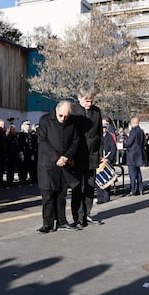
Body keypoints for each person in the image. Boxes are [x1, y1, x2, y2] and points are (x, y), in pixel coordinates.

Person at [36, 101, 80, 233]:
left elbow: (75, 141)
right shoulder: (45, 120)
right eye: (61, 116)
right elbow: (43, 142)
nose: (63, 119)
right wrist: (57, 158)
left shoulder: (72, 122)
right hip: (48, 164)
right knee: (48, 195)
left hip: (64, 164)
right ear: (56, 111)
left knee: (61, 195)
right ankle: (47, 223)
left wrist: (66, 157)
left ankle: (61, 221)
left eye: (66, 116)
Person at [70, 86, 103, 227]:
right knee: (78, 187)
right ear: (79, 98)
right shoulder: (73, 111)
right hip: (77, 155)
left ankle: (87, 214)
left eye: (91, 101)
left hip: (92, 154)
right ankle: (78, 216)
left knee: (90, 186)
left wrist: (100, 153)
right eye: (86, 101)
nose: (89, 104)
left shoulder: (97, 112)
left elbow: (99, 134)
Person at [97, 120, 117, 204]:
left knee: (106, 179)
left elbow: (113, 149)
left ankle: (106, 197)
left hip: (107, 161)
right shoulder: (97, 136)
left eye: (104, 128)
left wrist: (108, 159)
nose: (103, 129)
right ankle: (100, 198)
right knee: (98, 180)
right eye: (102, 128)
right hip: (99, 161)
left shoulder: (109, 137)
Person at [124, 116, 145, 195]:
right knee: (138, 172)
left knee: (132, 173)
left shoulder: (133, 131)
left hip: (132, 154)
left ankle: (133, 190)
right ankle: (141, 189)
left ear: (132, 123)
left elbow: (129, 142)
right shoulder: (141, 131)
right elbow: (143, 142)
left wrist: (124, 143)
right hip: (139, 153)